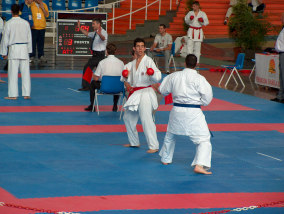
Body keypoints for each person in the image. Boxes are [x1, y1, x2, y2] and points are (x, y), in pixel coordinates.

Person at [158, 54, 213, 175]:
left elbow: (162, 90)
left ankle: (165, 159)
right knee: (204, 139)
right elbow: (207, 98)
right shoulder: (200, 79)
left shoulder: (174, 76)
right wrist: (199, 102)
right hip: (193, 112)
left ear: (185, 63)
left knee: (170, 134)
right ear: (196, 64)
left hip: (177, 110)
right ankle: (199, 165)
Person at [121, 38, 162, 153]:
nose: (140, 48)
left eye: (142, 46)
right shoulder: (130, 64)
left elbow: (158, 77)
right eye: (138, 46)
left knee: (146, 118)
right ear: (134, 48)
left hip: (146, 92)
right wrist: (125, 78)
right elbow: (123, 78)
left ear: (145, 48)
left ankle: (154, 145)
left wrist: (152, 73)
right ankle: (134, 142)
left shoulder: (149, 61)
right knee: (128, 117)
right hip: (135, 93)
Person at [0, 4, 32, 99]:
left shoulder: (9, 23)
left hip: (14, 49)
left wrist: (3, 53)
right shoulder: (25, 23)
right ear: (19, 11)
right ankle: (26, 94)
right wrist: (29, 51)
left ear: (11, 11)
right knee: (26, 73)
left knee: (12, 74)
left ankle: (13, 95)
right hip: (24, 49)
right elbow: (29, 38)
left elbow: (5, 39)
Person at [84, 43, 124, 112]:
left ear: (106, 51)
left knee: (93, 83)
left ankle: (92, 106)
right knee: (117, 81)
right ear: (115, 51)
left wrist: (92, 74)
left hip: (105, 87)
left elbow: (96, 78)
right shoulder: (121, 63)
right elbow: (123, 77)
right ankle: (115, 105)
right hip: (118, 88)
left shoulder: (102, 62)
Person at [77, 18, 108, 91]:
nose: (92, 25)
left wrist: (100, 34)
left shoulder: (103, 32)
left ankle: (87, 86)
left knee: (88, 68)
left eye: (93, 24)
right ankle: (99, 85)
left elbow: (103, 38)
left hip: (99, 55)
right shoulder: (95, 33)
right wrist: (79, 27)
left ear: (98, 24)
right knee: (100, 71)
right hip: (95, 55)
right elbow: (87, 33)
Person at [271, 13, 284, 104]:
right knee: (281, 76)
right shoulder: (283, 28)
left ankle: (281, 96)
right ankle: (281, 96)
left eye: (282, 17)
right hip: (281, 53)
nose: (281, 18)